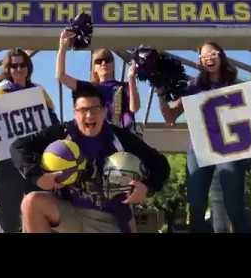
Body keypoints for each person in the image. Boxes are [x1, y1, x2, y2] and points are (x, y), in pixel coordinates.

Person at [11, 83, 170, 233]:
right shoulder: (62, 134)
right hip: (68, 212)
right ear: (74, 113)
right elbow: (18, 147)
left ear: (103, 112)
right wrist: (38, 176)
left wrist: (147, 187)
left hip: (107, 219)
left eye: (95, 109)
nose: (89, 115)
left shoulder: (120, 138)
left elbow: (160, 164)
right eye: (83, 110)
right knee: (31, 202)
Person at [158, 41, 251, 233]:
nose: (209, 57)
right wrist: (161, 92)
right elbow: (170, 118)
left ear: (222, 56)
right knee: (195, 206)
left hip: (231, 150)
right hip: (199, 150)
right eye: (204, 55)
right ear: (200, 61)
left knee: (234, 206)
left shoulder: (237, 85)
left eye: (213, 53)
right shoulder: (193, 86)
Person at [0, 48, 59, 233]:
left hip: (36, 158)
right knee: (8, 209)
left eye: (22, 64)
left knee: (37, 204)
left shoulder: (39, 91)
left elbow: (52, 121)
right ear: (8, 69)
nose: (19, 69)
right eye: (14, 65)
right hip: (8, 159)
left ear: (28, 67)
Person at [56, 29, 140, 130]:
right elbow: (61, 76)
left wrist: (131, 79)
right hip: (99, 137)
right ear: (94, 68)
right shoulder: (90, 88)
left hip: (122, 138)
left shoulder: (124, 86)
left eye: (107, 60)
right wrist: (62, 47)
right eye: (99, 61)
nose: (103, 63)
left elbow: (134, 108)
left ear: (113, 64)